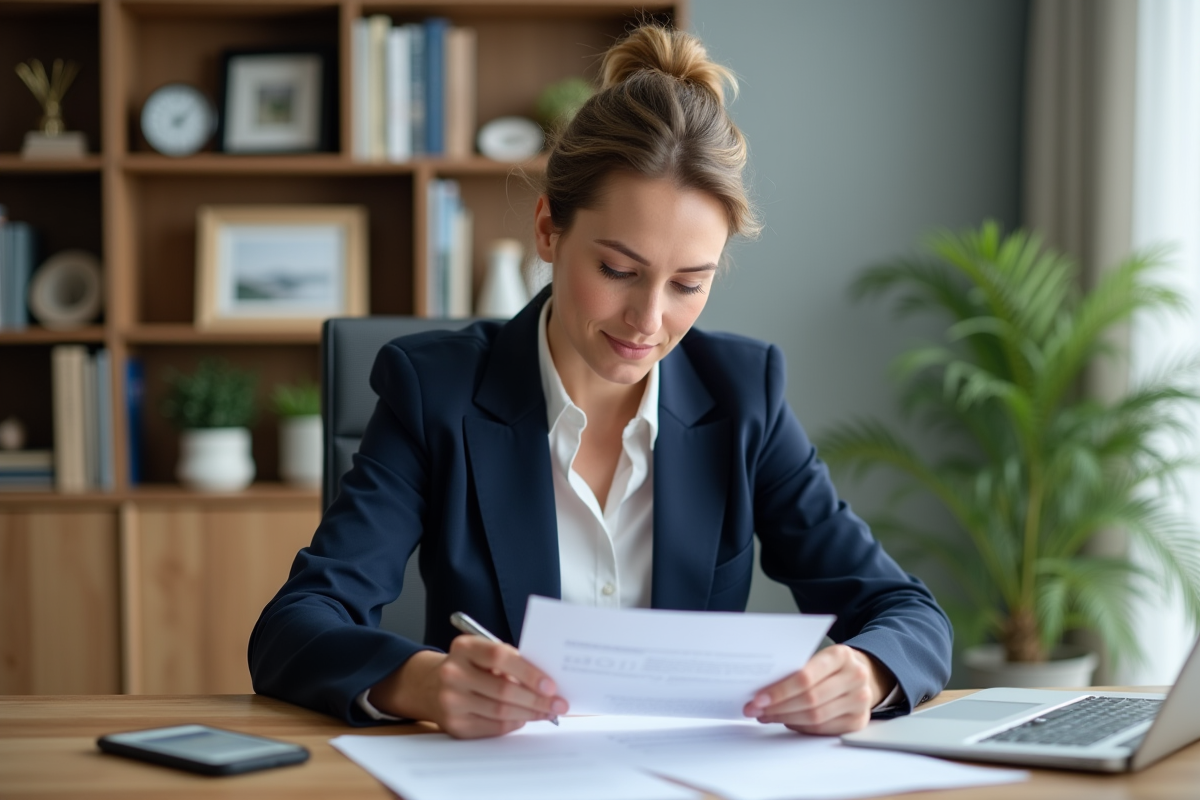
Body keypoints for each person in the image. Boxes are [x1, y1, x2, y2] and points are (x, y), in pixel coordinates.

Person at [249, 24, 952, 740]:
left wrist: (865, 674)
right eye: (618, 270)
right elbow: (296, 625)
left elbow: (908, 614)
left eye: (688, 283)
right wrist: (420, 682)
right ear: (549, 231)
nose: (648, 320)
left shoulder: (744, 397)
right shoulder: (436, 390)